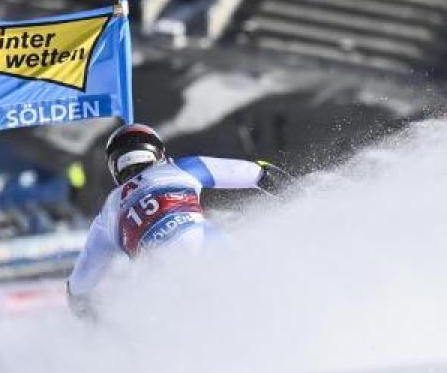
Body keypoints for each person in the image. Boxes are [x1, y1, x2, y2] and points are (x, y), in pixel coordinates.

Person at [66, 124, 290, 319]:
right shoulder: (181, 168)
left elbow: (80, 285)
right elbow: (259, 173)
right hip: (212, 249)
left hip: (159, 284)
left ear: (115, 166)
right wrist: (303, 195)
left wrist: (87, 316)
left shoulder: (108, 212)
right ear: (158, 153)